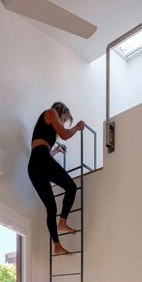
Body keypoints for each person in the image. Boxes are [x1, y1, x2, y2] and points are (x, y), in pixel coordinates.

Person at [28, 102, 85, 255]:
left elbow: (41, 152)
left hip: (35, 165)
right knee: (71, 187)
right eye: (64, 120)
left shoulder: (46, 127)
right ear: (62, 112)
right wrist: (77, 126)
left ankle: (57, 245)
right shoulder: (51, 112)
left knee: (51, 208)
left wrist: (56, 150)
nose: (63, 123)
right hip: (40, 160)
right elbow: (65, 135)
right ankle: (62, 222)